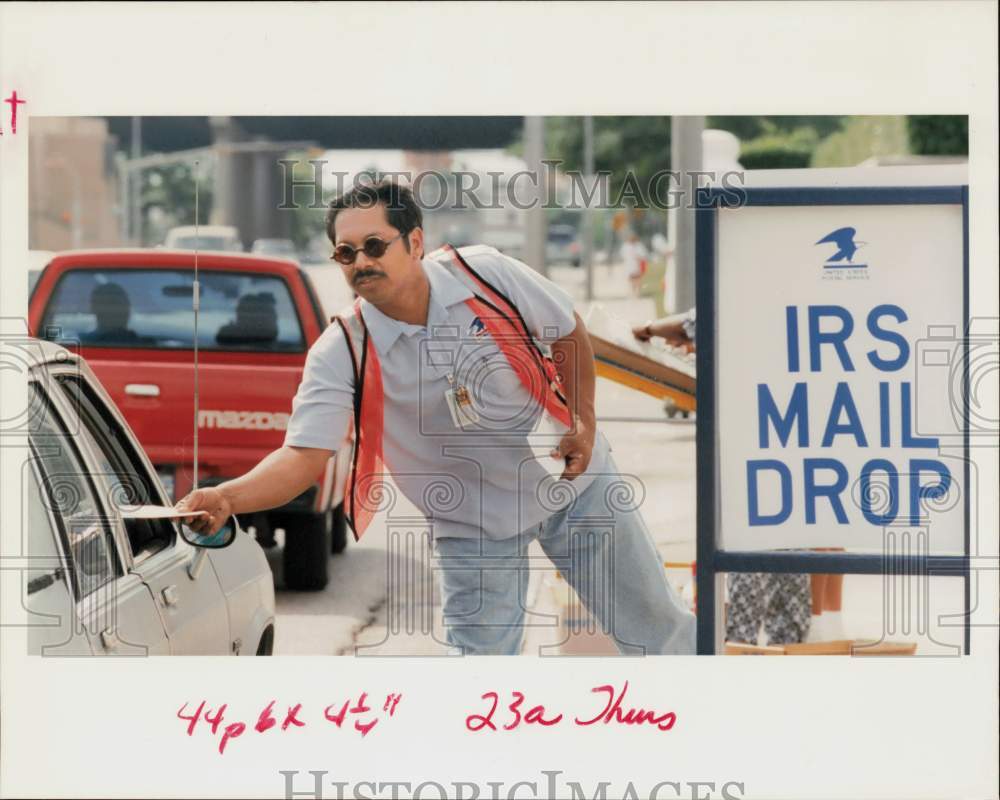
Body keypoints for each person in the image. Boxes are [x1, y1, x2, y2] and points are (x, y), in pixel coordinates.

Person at [176, 179, 695, 656]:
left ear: (416, 243)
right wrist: (227, 497)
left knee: (660, 633)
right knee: (478, 674)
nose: (361, 262)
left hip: (576, 487)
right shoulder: (342, 351)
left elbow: (566, 332)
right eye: (345, 252)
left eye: (375, 246)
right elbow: (303, 456)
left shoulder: (486, 275)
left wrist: (582, 421)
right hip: (472, 526)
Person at [632, 309, 812, 647]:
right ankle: (788, 643)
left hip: (751, 432)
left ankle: (741, 643)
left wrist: (646, 329)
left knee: (747, 538)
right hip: (787, 429)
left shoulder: (740, 289)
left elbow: (697, 322)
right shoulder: (784, 295)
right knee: (786, 532)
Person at [620, 232, 649, 297]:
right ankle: (633, 291)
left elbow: (643, 255)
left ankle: (637, 292)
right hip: (629, 265)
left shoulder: (638, 246)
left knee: (637, 279)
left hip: (637, 265)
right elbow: (623, 255)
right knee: (631, 279)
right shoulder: (626, 246)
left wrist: (639, 257)